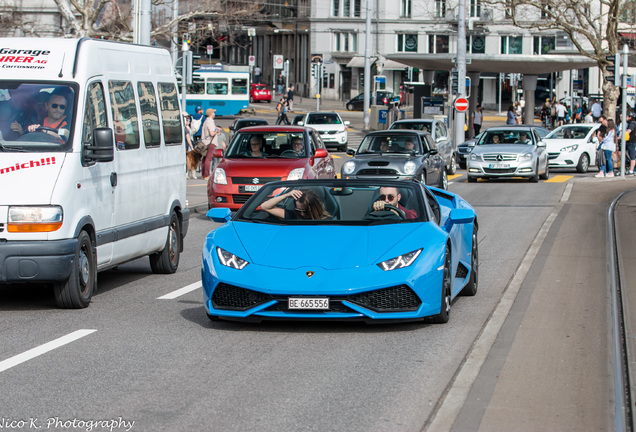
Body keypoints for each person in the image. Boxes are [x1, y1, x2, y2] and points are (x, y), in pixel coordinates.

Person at [261, 189, 331, 220]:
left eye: (305, 211)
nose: (302, 214)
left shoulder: (326, 220)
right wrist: (286, 195)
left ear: (314, 208)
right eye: (298, 210)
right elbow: (265, 207)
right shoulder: (293, 216)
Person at [200, 108, 221, 180]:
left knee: (204, 159)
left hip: (205, 142)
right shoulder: (210, 121)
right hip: (210, 142)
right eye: (213, 112)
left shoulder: (206, 121)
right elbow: (212, 133)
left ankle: (203, 174)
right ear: (211, 114)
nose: (214, 114)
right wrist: (216, 131)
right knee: (208, 159)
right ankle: (206, 175)